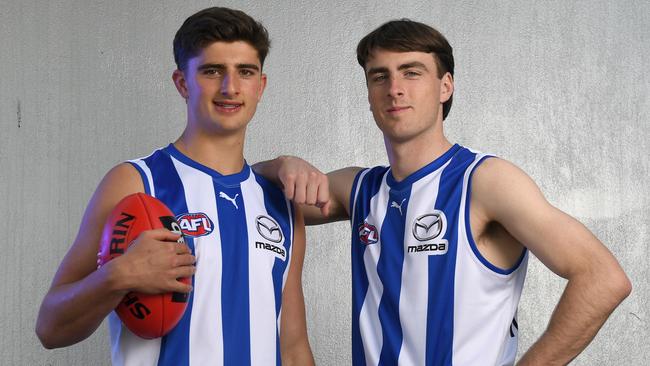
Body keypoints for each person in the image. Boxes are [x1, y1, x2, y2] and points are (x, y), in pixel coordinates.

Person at [254, 19, 631, 365]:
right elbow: (243, 199)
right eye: (379, 77)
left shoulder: (484, 181)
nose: (395, 89)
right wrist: (279, 164)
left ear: (445, 86)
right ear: (368, 93)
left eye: (412, 73)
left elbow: (603, 278)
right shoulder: (359, 189)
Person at [36, 7, 314, 366]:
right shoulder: (137, 182)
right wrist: (118, 275)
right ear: (182, 82)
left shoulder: (281, 203)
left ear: (260, 86)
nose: (230, 87)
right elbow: (50, 328)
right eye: (212, 71)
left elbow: (292, 348)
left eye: (245, 72)